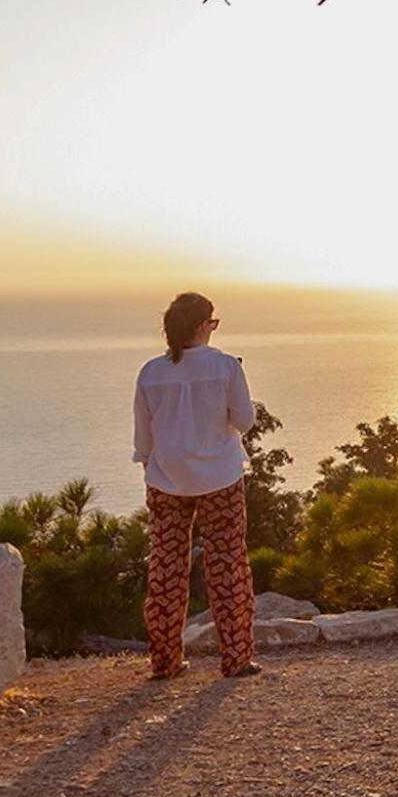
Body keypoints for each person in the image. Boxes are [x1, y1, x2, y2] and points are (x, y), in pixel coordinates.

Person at [133, 292, 261, 681]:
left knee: (166, 569)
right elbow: (245, 421)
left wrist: (148, 463)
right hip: (220, 478)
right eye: (213, 323)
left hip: (166, 480)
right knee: (227, 565)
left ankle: (165, 662)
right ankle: (236, 658)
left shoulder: (151, 372)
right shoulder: (225, 367)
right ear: (204, 325)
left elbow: (143, 437)